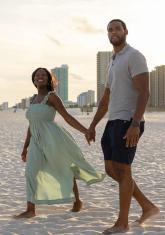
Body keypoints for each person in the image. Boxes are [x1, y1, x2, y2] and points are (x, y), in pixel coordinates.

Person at [86, 19, 160, 234]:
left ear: (125, 31)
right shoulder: (112, 61)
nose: (113, 32)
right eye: (110, 29)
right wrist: (92, 125)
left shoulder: (134, 56)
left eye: (117, 28)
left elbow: (144, 92)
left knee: (124, 170)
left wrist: (136, 123)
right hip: (112, 122)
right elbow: (105, 99)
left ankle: (123, 223)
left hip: (128, 121)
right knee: (111, 170)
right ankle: (147, 206)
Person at [14, 67, 105, 219]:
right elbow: (32, 125)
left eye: (43, 75)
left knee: (63, 169)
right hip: (36, 141)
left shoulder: (52, 97)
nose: (40, 77)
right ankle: (30, 209)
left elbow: (67, 117)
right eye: (37, 75)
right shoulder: (33, 100)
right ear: (34, 80)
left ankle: (77, 201)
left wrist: (86, 131)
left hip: (52, 139)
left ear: (49, 79)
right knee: (31, 172)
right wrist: (25, 147)